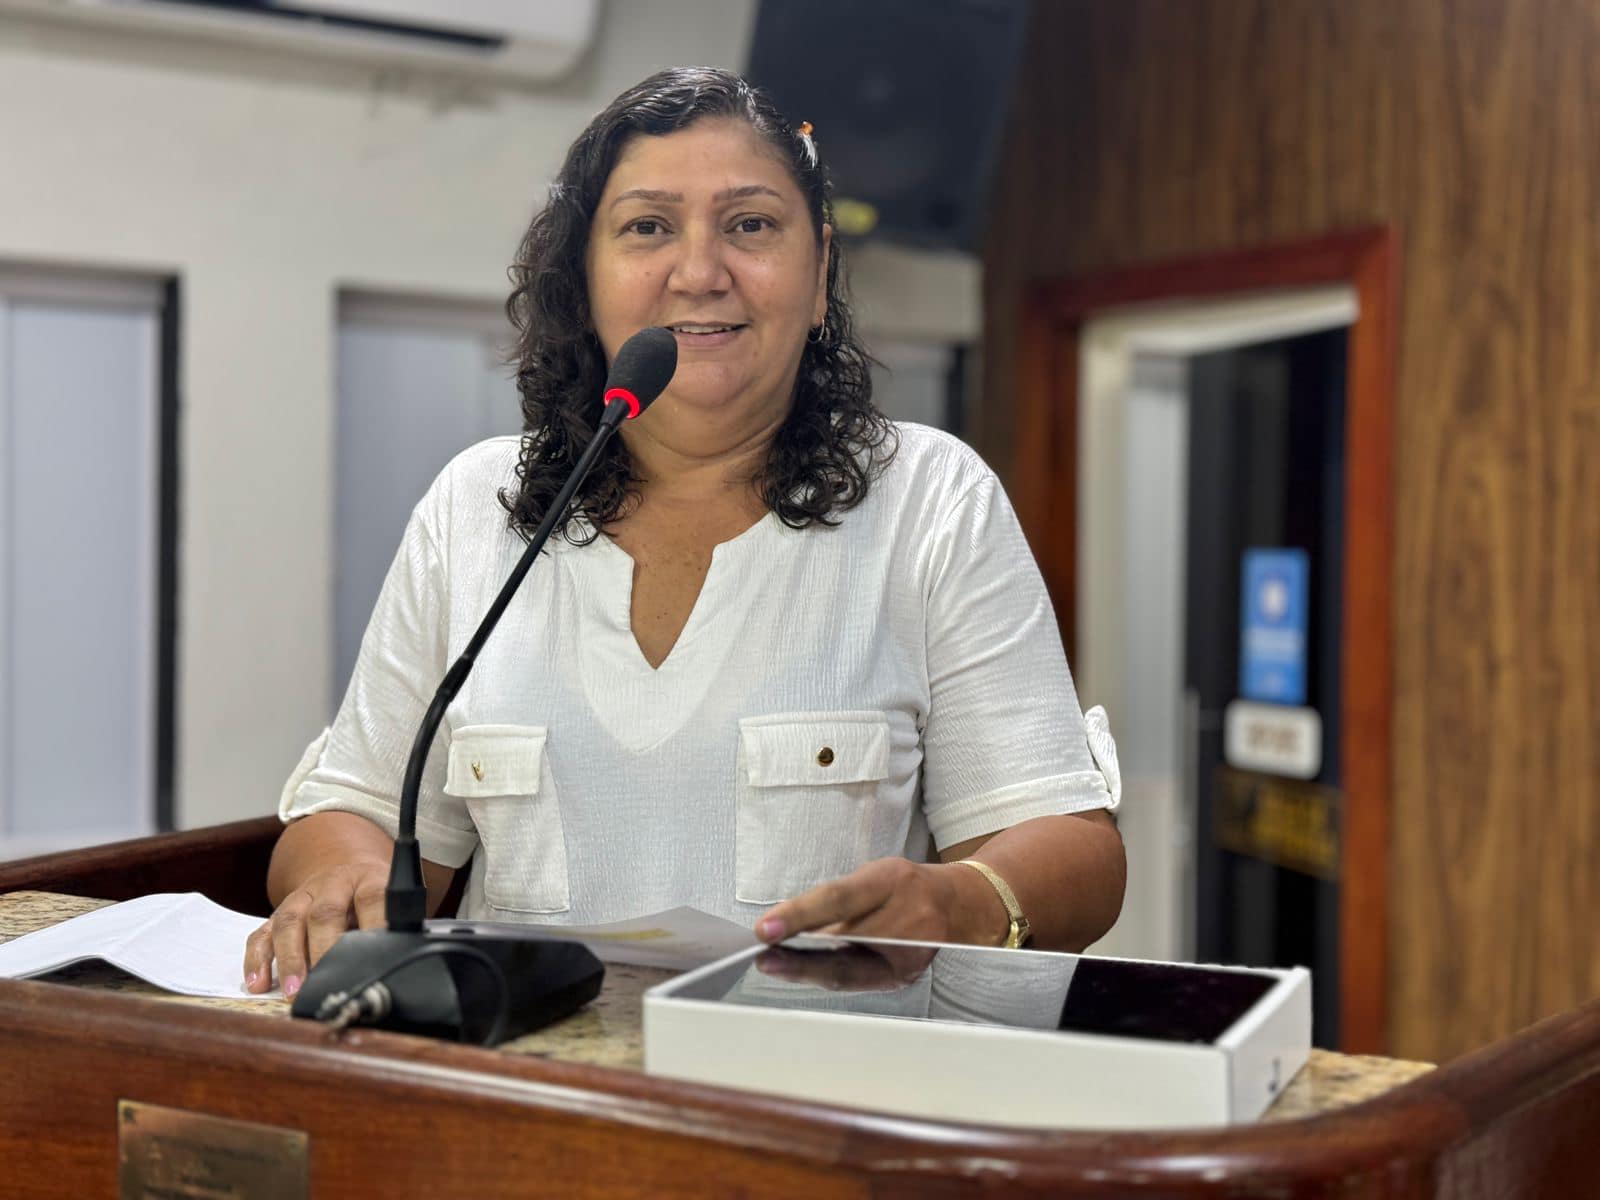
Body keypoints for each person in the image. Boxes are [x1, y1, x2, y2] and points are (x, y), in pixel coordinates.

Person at [243, 67, 1126, 1000]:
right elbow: (347, 810)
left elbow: (1074, 851)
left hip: (812, 1100)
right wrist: (342, 873)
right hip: (527, 1095)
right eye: (647, 227)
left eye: (750, 225)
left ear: (819, 274)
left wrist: (961, 900)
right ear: (584, 281)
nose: (700, 273)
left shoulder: (929, 498)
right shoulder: (476, 504)